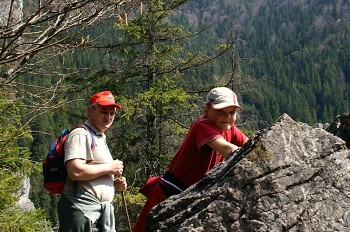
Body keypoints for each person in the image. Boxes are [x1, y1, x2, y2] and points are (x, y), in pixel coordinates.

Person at [132, 87, 249, 232]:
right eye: (221, 111)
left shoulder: (229, 128)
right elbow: (226, 149)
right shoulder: (203, 125)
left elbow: (249, 144)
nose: (228, 117)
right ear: (207, 109)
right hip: (168, 195)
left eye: (232, 112)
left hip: (189, 197)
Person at [57, 90, 127, 232]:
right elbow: (75, 171)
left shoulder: (99, 136)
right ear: (90, 111)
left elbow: (92, 174)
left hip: (95, 213)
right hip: (80, 209)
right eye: (103, 112)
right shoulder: (80, 134)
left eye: (112, 113)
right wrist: (110, 168)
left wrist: (113, 184)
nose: (108, 117)